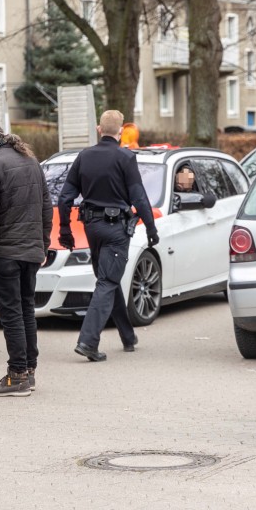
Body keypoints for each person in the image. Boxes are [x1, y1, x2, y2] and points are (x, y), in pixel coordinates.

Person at [58, 110, 159, 362]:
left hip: (92, 229)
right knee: (107, 281)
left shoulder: (84, 156)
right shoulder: (126, 157)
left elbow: (64, 198)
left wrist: (65, 230)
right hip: (116, 231)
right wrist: (151, 228)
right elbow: (139, 197)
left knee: (107, 278)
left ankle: (127, 336)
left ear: (98, 129)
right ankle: (88, 341)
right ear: (121, 132)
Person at [0, 119, 53, 397]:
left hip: (4, 252)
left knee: (12, 313)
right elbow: (46, 205)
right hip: (30, 251)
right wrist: (42, 244)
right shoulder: (30, 161)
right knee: (26, 309)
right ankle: (28, 370)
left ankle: (17, 374)